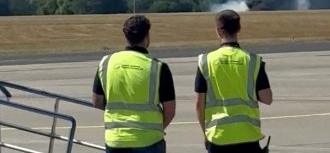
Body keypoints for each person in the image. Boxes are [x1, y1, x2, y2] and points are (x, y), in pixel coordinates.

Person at [93, 15, 176, 153]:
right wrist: (154, 129)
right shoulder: (158, 67)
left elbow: (97, 101)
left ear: (126, 36)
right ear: (147, 36)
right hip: (149, 141)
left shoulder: (107, 63)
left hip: (116, 140)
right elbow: (170, 110)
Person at [195, 10, 273, 153]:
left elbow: (200, 104)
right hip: (248, 136)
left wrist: (205, 133)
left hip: (219, 136)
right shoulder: (253, 61)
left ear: (218, 31)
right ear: (239, 29)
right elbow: (267, 98)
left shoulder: (206, 61)